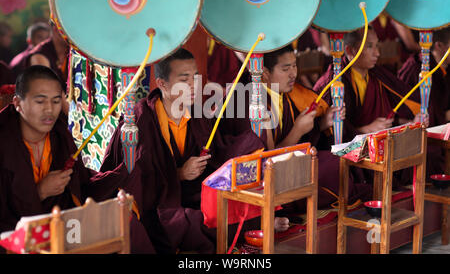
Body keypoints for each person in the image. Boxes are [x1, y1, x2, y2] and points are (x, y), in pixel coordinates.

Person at [101, 48, 288, 254]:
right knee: (188, 223)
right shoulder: (140, 120)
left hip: (192, 192)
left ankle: (253, 223)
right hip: (160, 204)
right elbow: (135, 180)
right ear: (162, 84)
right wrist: (179, 173)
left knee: (230, 195)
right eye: (185, 79)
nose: (193, 85)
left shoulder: (196, 112)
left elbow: (217, 151)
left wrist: (248, 145)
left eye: (195, 77)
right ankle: (252, 226)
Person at [0, 65, 154, 253]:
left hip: (64, 222)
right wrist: (39, 192)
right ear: (17, 103)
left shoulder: (59, 136)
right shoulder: (4, 142)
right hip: (18, 233)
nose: (49, 110)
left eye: (56, 101)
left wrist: (117, 194)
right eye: (40, 101)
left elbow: (81, 184)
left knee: (125, 219)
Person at [313, 26, 442, 185]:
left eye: (377, 46)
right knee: (347, 171)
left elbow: (391, 116)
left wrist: (410, 123)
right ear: (350, 50)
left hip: (379, 142)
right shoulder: (332, 84)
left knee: (429, 152)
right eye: (370, 47)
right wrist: (365, 130)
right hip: (353, 150)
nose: (377, 53)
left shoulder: (377, 75)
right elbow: (326, 138)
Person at [259, 44, 369, 215]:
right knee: (332, 167)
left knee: (337, 160)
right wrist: (297, 130)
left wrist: (322, 123)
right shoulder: (256, 103)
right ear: (265, 73)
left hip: (293, 163)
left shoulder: (290, 95)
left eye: (294, 66)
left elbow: (305, 138)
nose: (293, 74)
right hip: (270, 176)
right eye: (285, 68)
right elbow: (267, 159)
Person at [398, 27, 450, 126]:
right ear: (439, 45)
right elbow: (404, 110)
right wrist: (444, 116)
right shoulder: (416, 67)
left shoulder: (446, 67)